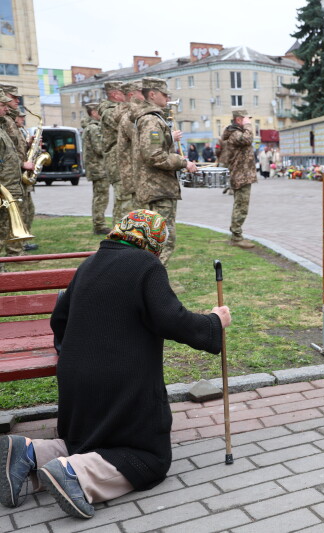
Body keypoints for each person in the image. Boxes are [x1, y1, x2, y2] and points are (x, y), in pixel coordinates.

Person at [0, 210, 231, 519]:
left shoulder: (90, 264)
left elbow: (60, 319)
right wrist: (215, 322)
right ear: (154, 242)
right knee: (148, 458)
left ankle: (28, 452)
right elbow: (172, 319)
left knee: (89, 439)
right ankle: (75, 475)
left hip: (75, 379)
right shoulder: (146, 265)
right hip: (118, 381)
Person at [133, 77, 197, 266]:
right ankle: (152, 285)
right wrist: (183, 162)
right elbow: (154, 155)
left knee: (153, 241)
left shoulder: (153, 118)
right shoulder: (151, 121)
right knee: (163, 241)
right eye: (164, 94)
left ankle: (147, 284)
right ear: (152, 94)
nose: (168, 98)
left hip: (156, 188)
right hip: (158, 189)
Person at [0, 85, 35, 254]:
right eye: (3, 103)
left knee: (16, 217)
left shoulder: (4, 123)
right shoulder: (5, 123)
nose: (7, 106)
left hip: (11, 182)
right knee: (5, 223)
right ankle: (13, 251)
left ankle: (16, 251)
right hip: (5, 184)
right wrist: (22, 164)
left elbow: (11, 150)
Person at [218, 109, 258, 248]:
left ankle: (237, 234)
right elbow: (247, 139)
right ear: (239, 120)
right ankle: (236, 236)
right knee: (241, 206)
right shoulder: (234, 133)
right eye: (246, 119)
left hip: (244, 175)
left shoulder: (236, 132)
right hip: (240, 175)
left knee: (242, 206)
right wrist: (248, 126)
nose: (249, 122)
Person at [0, 89, 24, 264]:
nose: (6, 108)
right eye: (2, 105)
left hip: (8, 188)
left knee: (3, 228)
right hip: (3, 189)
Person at [115, 81, 145, 215]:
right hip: (133, 171)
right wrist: (169, 137)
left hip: (134, 169)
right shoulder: (129, 115)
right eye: (142, 92)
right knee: (135, 213)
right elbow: (140, 140)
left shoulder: (131, 112)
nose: (145, 95)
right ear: (133, 94)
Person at [98, 81, 126, 223]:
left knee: (126, 203)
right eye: (124, 92)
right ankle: (118, 239)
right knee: (123, 203)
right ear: (115, 94)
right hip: (117, 163)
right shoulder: (110, 112)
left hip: (122, 161)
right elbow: (127, 129)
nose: (127, 95)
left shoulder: (119, 109)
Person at [81, 103, 111, 234]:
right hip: (99, 168)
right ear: (93, 113)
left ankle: (99, 223)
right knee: (101, 197)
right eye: (100, 111)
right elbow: (99, 148)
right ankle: (99, 225)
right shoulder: (94, 128)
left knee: (99, 196)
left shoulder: (91, 127)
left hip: (97, 167)